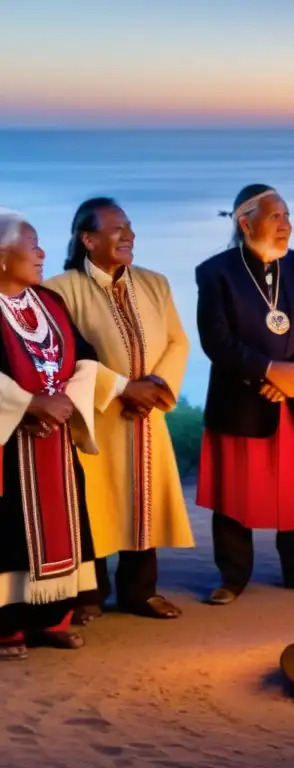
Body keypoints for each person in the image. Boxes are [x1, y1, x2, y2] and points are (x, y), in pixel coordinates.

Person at [45, 198, 194, 624]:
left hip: (149, 416)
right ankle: (89, 593)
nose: (128, 235)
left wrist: (157, 388)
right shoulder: (60, 289)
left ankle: (140, 592)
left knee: (142, 501)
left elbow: (178, 343)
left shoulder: (155, 283)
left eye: (129, 227)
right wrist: (123, 389)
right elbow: (64, 355)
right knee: (94, 502)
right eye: (115, 229)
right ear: (87, 239)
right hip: (96, 416)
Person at [195, 184, 294, 605]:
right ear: (246, 222)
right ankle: (233, 577)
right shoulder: (215, 273)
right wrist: (267, 370)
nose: (286, 226)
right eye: (276, 217)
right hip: (243, 396)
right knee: (235, 490)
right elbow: (216, 340)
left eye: (288, 217)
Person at [0, 209, 99, 660]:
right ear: (2, 257)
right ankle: (7, 628)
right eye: (33, 244)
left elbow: (86, 355)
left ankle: (51, 618)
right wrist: (27, 405)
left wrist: (65, 402)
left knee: (64, 520)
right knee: (8, 531)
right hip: (8, 447)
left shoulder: (49, 302)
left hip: (54, 441)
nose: (42, 253)